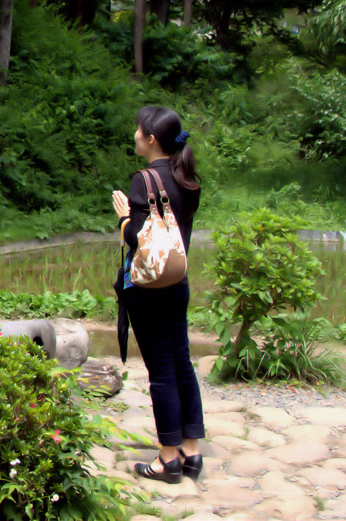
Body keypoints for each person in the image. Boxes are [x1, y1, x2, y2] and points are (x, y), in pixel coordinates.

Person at [111, 105, 205, 484]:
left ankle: (167, 459)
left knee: (161, 371)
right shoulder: (185, 176)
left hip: (149, 289)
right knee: (182, 362)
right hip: (178, 284)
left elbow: (137, 240)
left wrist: (121, 217)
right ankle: (191, 450)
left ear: (151, 139)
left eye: (138, 130)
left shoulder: (144, 181)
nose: (134, 134)